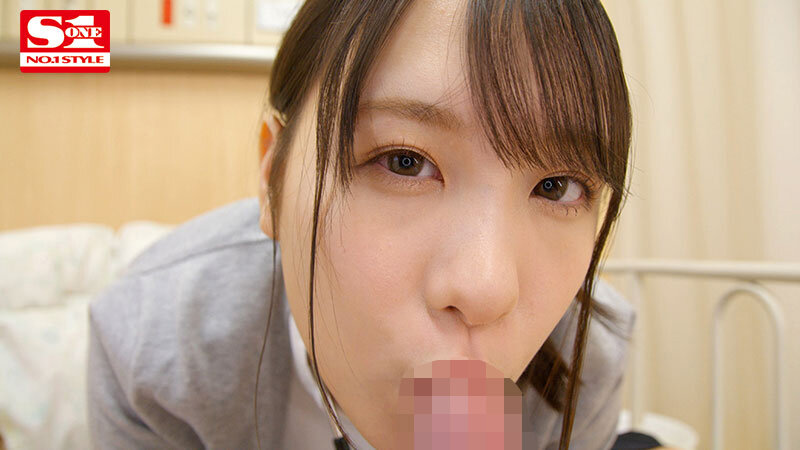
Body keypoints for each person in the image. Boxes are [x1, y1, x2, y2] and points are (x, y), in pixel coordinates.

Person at [87, 0, 641, 448]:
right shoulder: (154, 355)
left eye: (556, 187)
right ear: (273, 176)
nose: (486, 289)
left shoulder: (583, 364)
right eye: (405, 161)